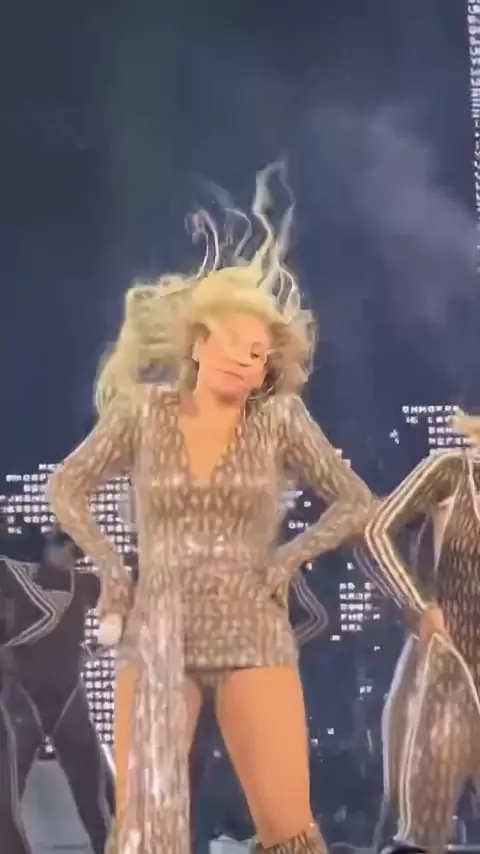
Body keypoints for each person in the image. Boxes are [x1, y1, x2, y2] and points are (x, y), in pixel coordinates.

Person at [48, 163, 380, 854]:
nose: (243, 359)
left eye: (257, 354)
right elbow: (66, 486)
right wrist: (111, 570)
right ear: (198, 344)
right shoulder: (144, 413)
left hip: (252, 630)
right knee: (145, 832)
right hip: (158, 632)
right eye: (231, 343)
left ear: (267, 369)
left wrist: (287, 560)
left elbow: (355, 502)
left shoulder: (279, 419)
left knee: (289, 828)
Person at [364, 411, 480, 854]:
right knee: (420, 834)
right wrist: (419, 605)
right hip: (451, 674)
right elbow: (375, 531)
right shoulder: (451, 470)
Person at [0, 523, 114, 854]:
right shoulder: (15, 578)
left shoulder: (83, 584)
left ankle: (116, 848)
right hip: (22, 702)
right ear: (49, 544)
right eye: (68, 547)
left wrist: (93, 648)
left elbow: (123, 606)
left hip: (68, 701)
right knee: (6, 798)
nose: (72, 557)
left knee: (97, 798)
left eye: (78, 552)